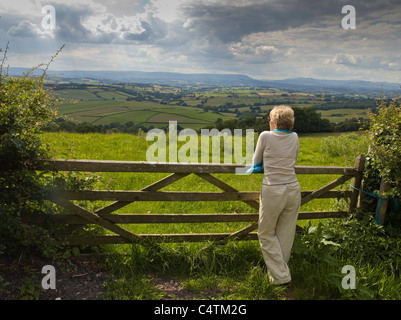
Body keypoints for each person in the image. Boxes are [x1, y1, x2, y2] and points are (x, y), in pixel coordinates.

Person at [251, 105, 301, 285]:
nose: (269, 122)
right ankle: (278, 274)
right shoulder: (294, 136)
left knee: (265, 233)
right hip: (293, 188)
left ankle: (281, 276)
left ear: (275, 122)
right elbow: (294, 159)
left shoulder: (265, 135)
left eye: (270, 119)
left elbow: (256, 161)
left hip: (273, 189)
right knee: (286, 232)